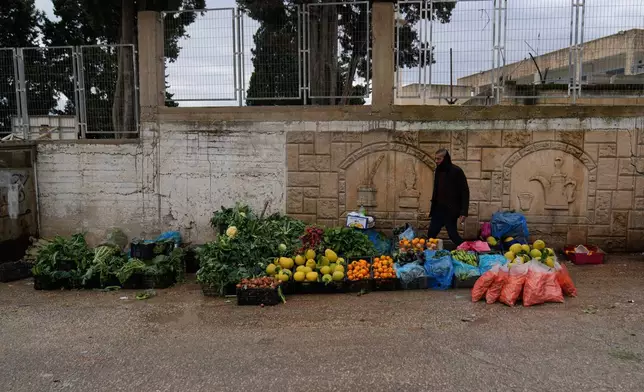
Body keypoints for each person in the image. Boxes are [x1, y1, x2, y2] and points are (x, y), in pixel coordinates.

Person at [427, 148, 470, 246]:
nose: (436, 161)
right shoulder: (438, 170)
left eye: (439, 159)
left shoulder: (457, 171)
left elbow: (465, 192)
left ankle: (468, 250)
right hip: (438, 209)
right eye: (436, 159)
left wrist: (464, 212)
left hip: (450, 209)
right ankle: (428, 255)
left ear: (445, 158)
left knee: (453, 235)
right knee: (431, 234)